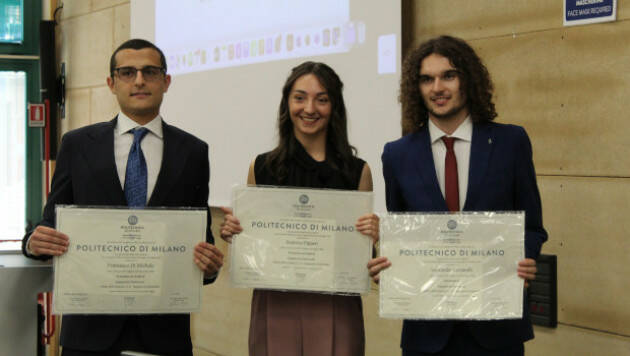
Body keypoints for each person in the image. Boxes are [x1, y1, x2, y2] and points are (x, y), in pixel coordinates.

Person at [21, 39, 224, 356]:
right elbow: (49, 224)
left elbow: (202, 237)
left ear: (166, 81)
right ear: (111, 83)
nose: (139, 80)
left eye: (150, 72)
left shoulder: (194, 152)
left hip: (164, 333)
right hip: (88, 333)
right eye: (127, 72)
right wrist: (34, 242)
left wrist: (209, 266)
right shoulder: (76, 145)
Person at [367, 35, 548, 356]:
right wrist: (391, 270)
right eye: (426, 79)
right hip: (427, 333)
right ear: (416, 88)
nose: (437, 88)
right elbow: (402, 236)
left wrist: (523, 260)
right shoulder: (397, 155)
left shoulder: (510, 142)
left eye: (448, 75)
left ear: (468, 79)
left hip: (496, 328)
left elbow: (532, 227)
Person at [219, 61, 379, 356]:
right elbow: (253, 246)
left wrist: (373, 236)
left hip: (336, 304)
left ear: (335, 107)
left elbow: (363, 256)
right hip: (275, 302)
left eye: (322, 99)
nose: (309, 108)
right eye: (299, 97)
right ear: (287, 104)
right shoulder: (262, 167)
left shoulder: (357, 171)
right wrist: (235, 234)